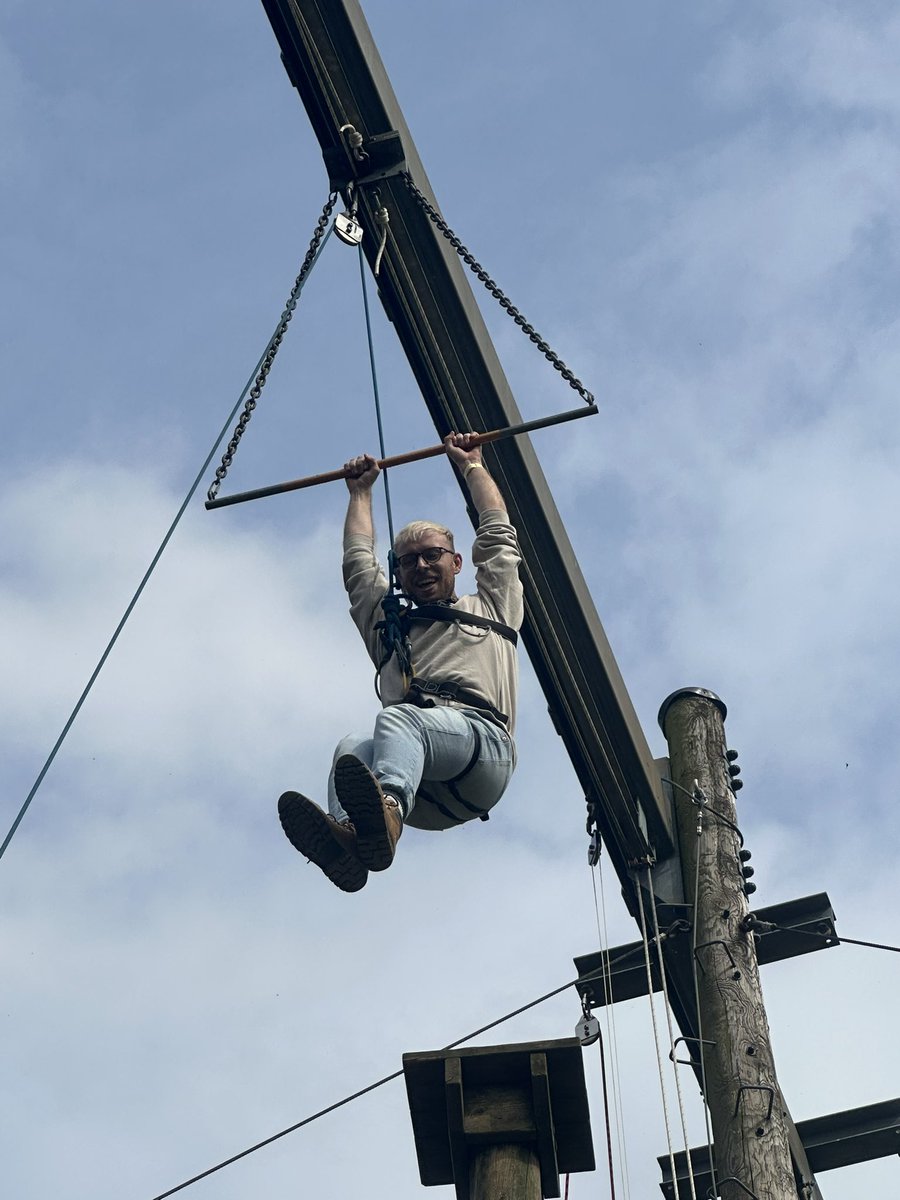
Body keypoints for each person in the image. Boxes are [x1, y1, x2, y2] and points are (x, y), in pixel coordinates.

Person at [278, 432, 523, 891]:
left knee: (396, 721)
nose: (422, 567)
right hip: (425, 789)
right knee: (352, 744)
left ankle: (385, 815)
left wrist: (472, 465)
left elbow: (496, 535)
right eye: (409, 562)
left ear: (455, 563)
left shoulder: (492, 607)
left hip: (481, 755)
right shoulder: (391, 634)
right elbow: (358, 570)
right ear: (399, 574)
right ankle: (350, 839)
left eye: (433, 556)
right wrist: (360, 493)